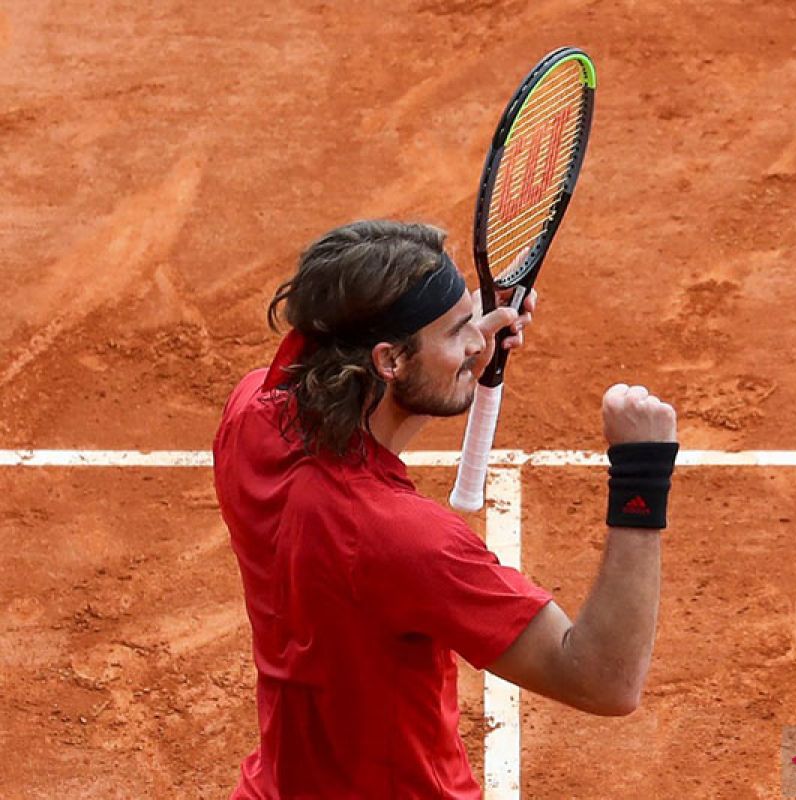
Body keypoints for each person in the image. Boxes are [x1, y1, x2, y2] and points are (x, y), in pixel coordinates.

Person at [212, 220, 679, 799]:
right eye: (459, 332)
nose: (479, 343)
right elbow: (605, 681)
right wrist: (643, 471)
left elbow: (349, 426)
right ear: (389, 361)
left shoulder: (249, 417)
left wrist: (453, 351)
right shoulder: (405, 540)